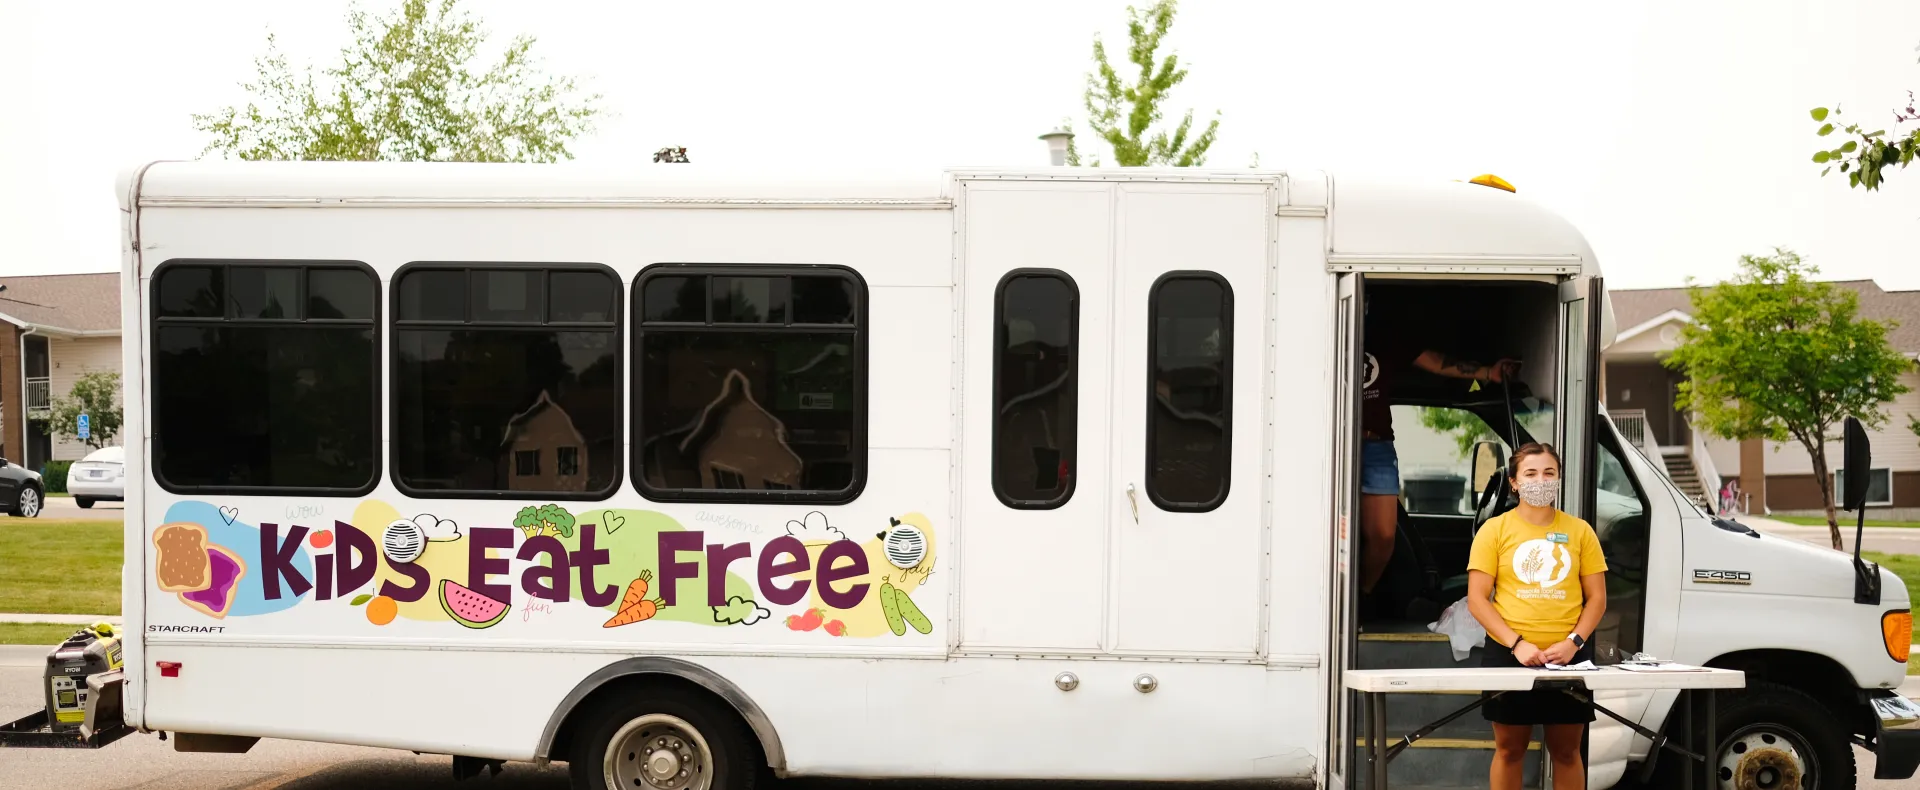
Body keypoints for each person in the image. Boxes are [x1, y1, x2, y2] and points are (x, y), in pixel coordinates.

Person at [1465, 442, 1609, 790]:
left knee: (1567, 751)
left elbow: (1598, 599)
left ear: (1559, 479)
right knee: (1509, 750)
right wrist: (1516, 644)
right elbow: (1477, 599)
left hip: (1570, 658)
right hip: (1508, 655)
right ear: (1514, 482)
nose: (1540, 480)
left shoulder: (1580, 531)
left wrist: (1574, 643)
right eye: (1530, 473)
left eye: (1549, 473)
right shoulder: (1494, 531)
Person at [1358, 321, 1517, 601]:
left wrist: (1487, 373)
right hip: (1332, 444)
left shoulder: (1382, 337)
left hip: (1376, 444)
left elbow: (1433, 361)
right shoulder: (1326, 333)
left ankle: (1360, 599)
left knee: (1383, 536)